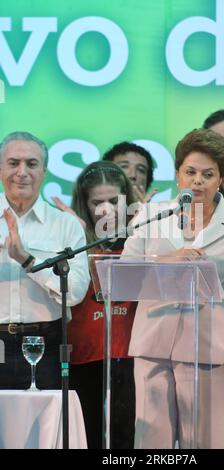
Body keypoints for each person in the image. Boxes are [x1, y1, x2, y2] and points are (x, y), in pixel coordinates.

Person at [122, 128, 224, 449]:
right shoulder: (150, 216)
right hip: (154, 349)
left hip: (213, 353)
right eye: (190, 172)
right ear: (178, 175)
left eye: (208, 174)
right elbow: (124, 280)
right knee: (152, 446)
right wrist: (167, 260)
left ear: (220, 179)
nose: (197, 181)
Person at [56, 161, 138, 449]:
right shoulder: (69, 237)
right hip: (83, 355)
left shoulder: (143, 236)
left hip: (130, 355)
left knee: (125, 438)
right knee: (85, 436)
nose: (107, 210)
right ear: (84, 204)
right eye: (97, 202)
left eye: (115, 201)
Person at [0, 131, 89, 390]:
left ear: (45, 172)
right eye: (13, 163)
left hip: (44, 345)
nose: (22, 172)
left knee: (44, 427)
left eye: (32, 164)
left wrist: (28, 261)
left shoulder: (65, 225)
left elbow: (75, 293)